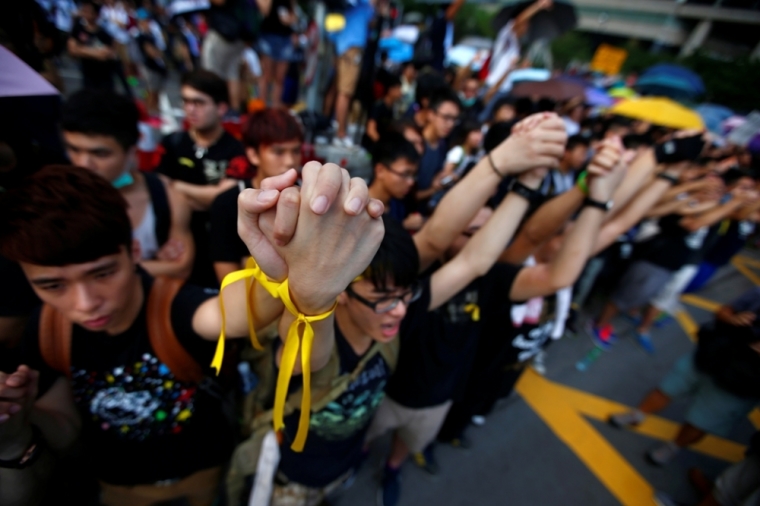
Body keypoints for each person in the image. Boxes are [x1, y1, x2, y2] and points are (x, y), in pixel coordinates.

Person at [231, 112, 570, 506]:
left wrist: (521, 179)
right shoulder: (318, 332)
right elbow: (305, 341)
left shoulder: (392, 315)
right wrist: (311, 285)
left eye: (405, 294)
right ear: (340, 291)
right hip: (292, 479)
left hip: (344, 468)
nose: (397, 311)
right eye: (382, 298)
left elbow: (470, 260)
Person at [0, 162, 383, 506]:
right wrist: (18, 425)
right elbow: (66, 434)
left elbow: (235, 312)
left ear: (134, 251)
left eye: (101, 273)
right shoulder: (45, 331)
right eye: (52, 285)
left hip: (204, 478)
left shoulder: (175, 305)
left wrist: (288, 268)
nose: (84, 303)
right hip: (118, 489)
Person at [609, 287, 760, 467]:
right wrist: (733, 319)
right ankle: (637, 415)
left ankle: (673, 447)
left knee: (703, 420)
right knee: (667, 387)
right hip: (713, 356)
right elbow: (723, 311)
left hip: (743, 384)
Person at [61, 90, 195, 281]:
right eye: (74, 149)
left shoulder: (166, 196)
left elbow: (180, 268)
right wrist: (152, 265)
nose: (83, 163)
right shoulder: (55, 198)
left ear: (132, 151)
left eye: (100, 154)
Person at [157, 70, 247, 286]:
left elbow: (224, 197)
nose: (190, 109)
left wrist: (176, 186)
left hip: (220, 247)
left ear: (221, 108)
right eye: (186, 101)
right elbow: (159, 190)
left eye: (199, 102)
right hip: (176, 245)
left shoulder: (236, 149)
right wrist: (204, 196)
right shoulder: (172, 143)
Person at [210, 107, 304, 281]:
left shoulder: (309, 197)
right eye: (278, 151)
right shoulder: (227, 203)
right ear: (253, 154)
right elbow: (228, 279)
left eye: (296, 151)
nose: (291, 161)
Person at [202, 0, 271, 114]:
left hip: (224, 33)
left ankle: (215, 111)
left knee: (212, 76)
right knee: (232, 74)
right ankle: (234, 112)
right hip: (239, 36)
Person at [329, 0, 375, 147]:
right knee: (345, 92)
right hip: (351, 47)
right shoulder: (361, 4)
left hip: (345, 46)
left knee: (340, 90)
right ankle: (341, 133)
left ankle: (339, 129)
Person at [415, 88, 461, 210]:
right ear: (431, 114)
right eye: (446, 117)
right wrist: (433, 189)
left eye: (454, 119)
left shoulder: (442, 145)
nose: (450, 124)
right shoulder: (415, 144)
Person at [367, 132, 420, 228]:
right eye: (405, 174)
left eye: (413, 175)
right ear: (380, 170)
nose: (411, 182)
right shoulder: (359, 204)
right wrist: (402, 227)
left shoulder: (399, 207)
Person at [67, 0, 119, 92]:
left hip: (104, 76)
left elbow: (108, 53)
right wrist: (95, 53)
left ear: (96, 14)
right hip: (88, 75)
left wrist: (82, 49)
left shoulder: (104, 33)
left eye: (89, 12)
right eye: (84, 11)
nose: (85, 14)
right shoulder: (78, 29)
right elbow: (72, 50)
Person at [258, 0, 297, 107]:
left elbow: (294, 15)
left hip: (285, 38)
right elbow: (265, 10)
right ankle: (261, 107)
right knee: (266, 75)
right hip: (268, 36)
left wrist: (290, 20)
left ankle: (275, 108)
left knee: (280, 78)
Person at [134, 8, 168, 116]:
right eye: (144, 21)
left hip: (155, 66)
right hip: (149, 66)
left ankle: (155, 111)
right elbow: (152, 53)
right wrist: (159, 53)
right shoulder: (142, 36)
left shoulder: (152, 34)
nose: (147, 23)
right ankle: (150, 113)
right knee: (151, 91)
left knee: (156, 91)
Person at [362, 75, 402, 152]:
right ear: (390, 89)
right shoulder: (378, 107)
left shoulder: (392, 108)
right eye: (398, 88)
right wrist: (383, 146)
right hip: (371, 147)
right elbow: (371, 130)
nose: (400, 92)